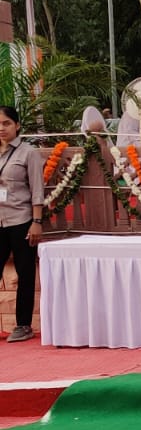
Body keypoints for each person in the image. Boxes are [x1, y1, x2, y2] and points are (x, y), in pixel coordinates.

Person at [0, 105, 45, 344]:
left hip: (22, 221)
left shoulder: (28, 153)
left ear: (17, 125)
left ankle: (23, 325)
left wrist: (36, 222)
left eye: (6, 123)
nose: (1, 128)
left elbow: (37, 189)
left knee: (25, 273)